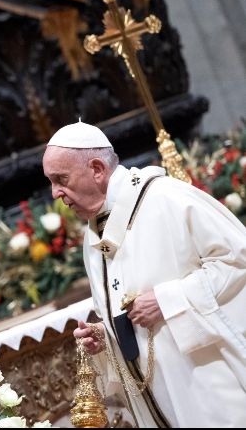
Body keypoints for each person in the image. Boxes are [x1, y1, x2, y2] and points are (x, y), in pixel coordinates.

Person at [42, 120, 246, 427]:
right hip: (159, 391)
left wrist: (168, 300)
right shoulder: (93, 234)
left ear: (97, 169)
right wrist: (104, 336)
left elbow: (238, 260)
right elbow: (127, 311)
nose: (56, 192)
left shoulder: (167, 199)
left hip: (209, 382)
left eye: (61, 179)